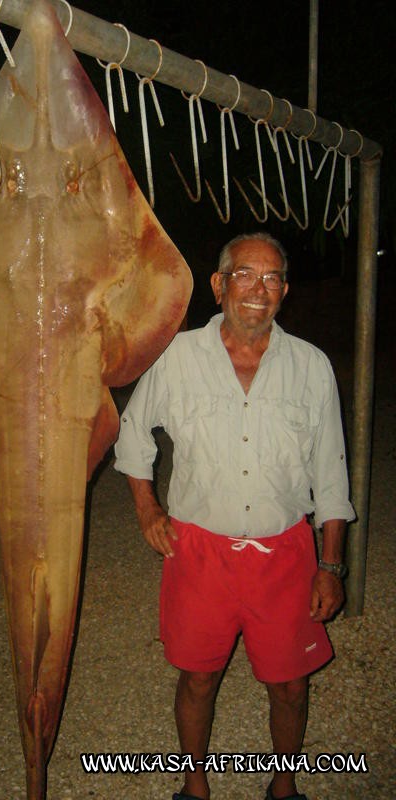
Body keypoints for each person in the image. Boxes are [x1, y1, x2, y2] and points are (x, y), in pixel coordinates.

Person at [114, 232, 355, 800]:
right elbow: (132, 434)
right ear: (220, 285)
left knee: (290, 685)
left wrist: (332, 565)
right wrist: (147, 508)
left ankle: (284, 787)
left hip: (286, 553)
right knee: (198, 677)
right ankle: (194, 786)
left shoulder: (311, 367)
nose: (258, 289)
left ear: (285, 291)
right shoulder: (177, 358)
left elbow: (332, 472)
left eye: (272, 278)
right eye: (245, 274)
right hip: (200, 553)